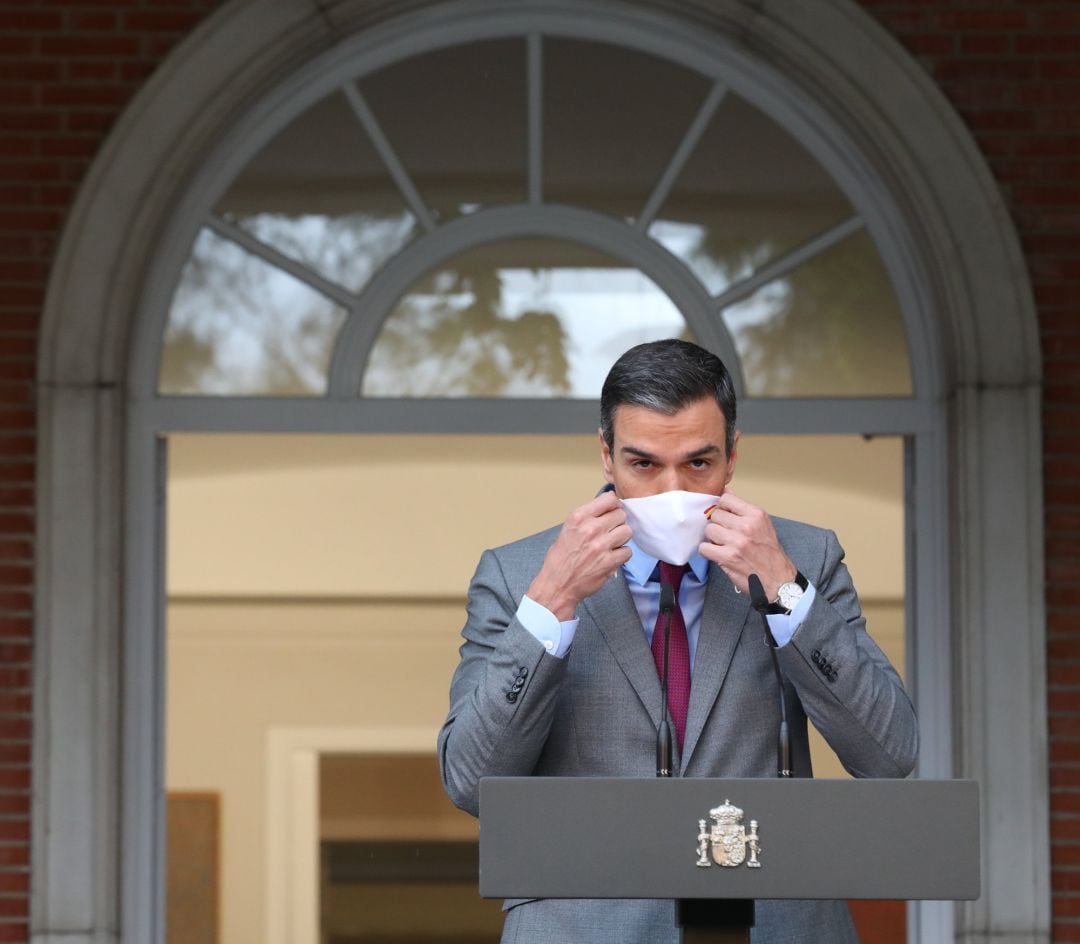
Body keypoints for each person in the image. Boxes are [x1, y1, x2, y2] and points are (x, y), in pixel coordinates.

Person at [438, 339, 917, 943]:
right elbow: (471, 780)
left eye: (698, 464)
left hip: (769, 922)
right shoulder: (518, 573)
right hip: (583, 926)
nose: (672, 490)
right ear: (606, 456)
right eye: (644, 465)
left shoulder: (803, 556)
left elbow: (889, 751)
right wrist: (552, 602)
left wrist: (786, 590)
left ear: (733, 456)